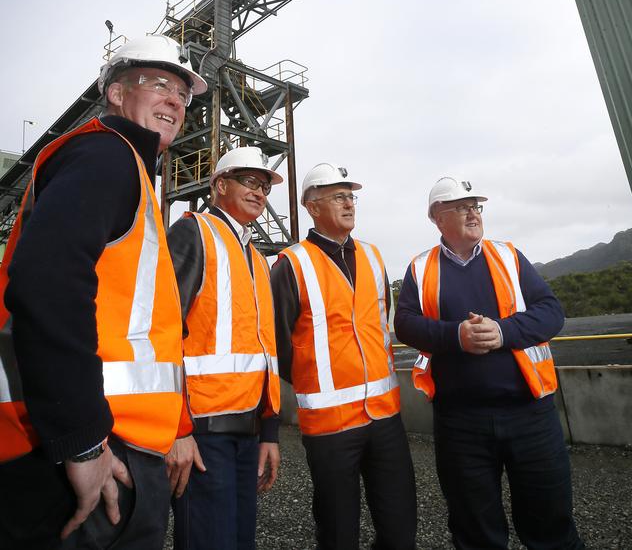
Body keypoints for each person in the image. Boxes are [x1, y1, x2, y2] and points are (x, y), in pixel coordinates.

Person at [0, 34, 206, 550]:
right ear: (115, 93)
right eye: (159, 84)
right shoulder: (104, 155)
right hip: (86, 442)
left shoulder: (130, 171)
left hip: (114, 436)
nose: (175, 102)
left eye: (182, 94)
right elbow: (46, 283)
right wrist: (83, 442)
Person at [395, 176, 585, 550]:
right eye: (461, 207)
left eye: (475, 206)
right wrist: (456, 336)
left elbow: (551, 312)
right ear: (437, 217)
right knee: (475, 531)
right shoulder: (420, 269)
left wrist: (504, 331)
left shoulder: (510, 256)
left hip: (531, 414)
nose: (472, 213)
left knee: (551, 525)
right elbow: (406, 324)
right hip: (461, 424)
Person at [271, 162, 417, 550]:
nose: (349, 204)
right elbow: (276, 342)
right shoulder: (292, 264)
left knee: (400, 526)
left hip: (384, 415)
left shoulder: (373, 256)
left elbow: (379, 327)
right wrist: (312, 377)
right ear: (312, 206)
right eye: (339, 196)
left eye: (351, 196)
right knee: (338, 532)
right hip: (330, 425)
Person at [166, 146, 282, 550]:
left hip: (246, 434)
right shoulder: (192, 232)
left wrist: (269, 432)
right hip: (203, 433)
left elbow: (265, 351)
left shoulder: (257, 257)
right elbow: (162, 333)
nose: (260, 193)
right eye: (250, 182)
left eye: (265, 186)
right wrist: (177, 430)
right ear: (219, 185)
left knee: (239, 540)